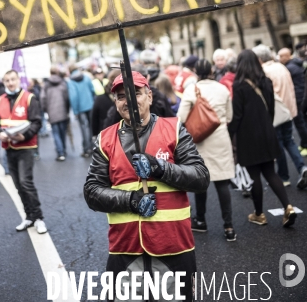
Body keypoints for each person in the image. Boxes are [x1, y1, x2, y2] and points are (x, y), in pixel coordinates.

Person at [84, 71, 209, 301]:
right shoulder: (105, 139)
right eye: (121, 96)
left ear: (149, 96)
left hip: (174, 245)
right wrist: (132, 201)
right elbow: (92, 192)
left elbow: (200, 178)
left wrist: (160, 168)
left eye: (136, 93)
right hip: (125, 247)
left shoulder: (174, 129)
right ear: (116, 102)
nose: (129, 101)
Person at [229, 50, 298, 227]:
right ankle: (288, 206)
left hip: (248, 136)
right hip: (267, 133)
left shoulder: (239, 85)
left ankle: (259, 214)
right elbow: (272, 108)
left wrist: (230, 135)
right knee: (270, 172)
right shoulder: (266, 81)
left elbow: (237, 115)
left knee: (255, 177)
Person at [179, 59, 236, 241]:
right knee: (222, 183)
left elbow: (180, 118)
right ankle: (228, 227)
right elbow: (229, 116)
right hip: (220, 139)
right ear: (211, 71)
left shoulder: (191, 90)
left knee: (201, 182)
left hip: (199, 141)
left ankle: (201, 221)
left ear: (196, 71)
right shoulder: (222, 89)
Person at [0, 69, 47, 234]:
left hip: (26, 146)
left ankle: (39, 217)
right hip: (9, 147)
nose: (10, 83)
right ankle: (29, 216)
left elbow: (37, 122)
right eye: (7, 80)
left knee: (25, 182)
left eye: (13, 79)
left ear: (18, 80)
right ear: (4, 82)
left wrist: (25, 135)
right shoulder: (0, 99)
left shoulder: (29, 98)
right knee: (18, 185)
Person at [253, 45, 307, 189]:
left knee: (279, 145)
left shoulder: (264, 72)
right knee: (289, 141)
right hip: (288, 111)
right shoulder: (281, 67)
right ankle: (302, 168)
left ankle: (284, 177)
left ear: (259, 58)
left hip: (275, 114)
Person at [278, 47, 307, 156]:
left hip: (297, 97)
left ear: (287, 56)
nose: (279, 58)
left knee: (300, 123)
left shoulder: (289, 68)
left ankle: (305, 144)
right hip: (301, 96)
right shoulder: (296, 64)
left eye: (281, 56)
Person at [41, 66, 70, 161]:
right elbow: (67, 97)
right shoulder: (62, 83)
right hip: (63, 111)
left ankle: (60, 153)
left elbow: (42, 98)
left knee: (56, 133)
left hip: (52, 112)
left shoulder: (46, 84)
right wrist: (67, 108)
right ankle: (63, 150)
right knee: (62, 132)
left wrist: (45, 109)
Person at [67, 65, 95, 157]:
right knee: (91, 127)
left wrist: (75, 111)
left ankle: (87, 149)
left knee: (84, 128)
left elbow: (73, 97)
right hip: (90, 105)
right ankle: (92, 147)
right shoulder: (86, 77)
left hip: (80, 108)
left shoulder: (71, 81)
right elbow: (92, 90)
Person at [91, 69, 120, 137]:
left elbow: (94, 120)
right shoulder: (100, 98)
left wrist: (95, 135)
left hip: (106, 134)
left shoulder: (100, 99)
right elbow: (95, 119)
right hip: (108, 135)